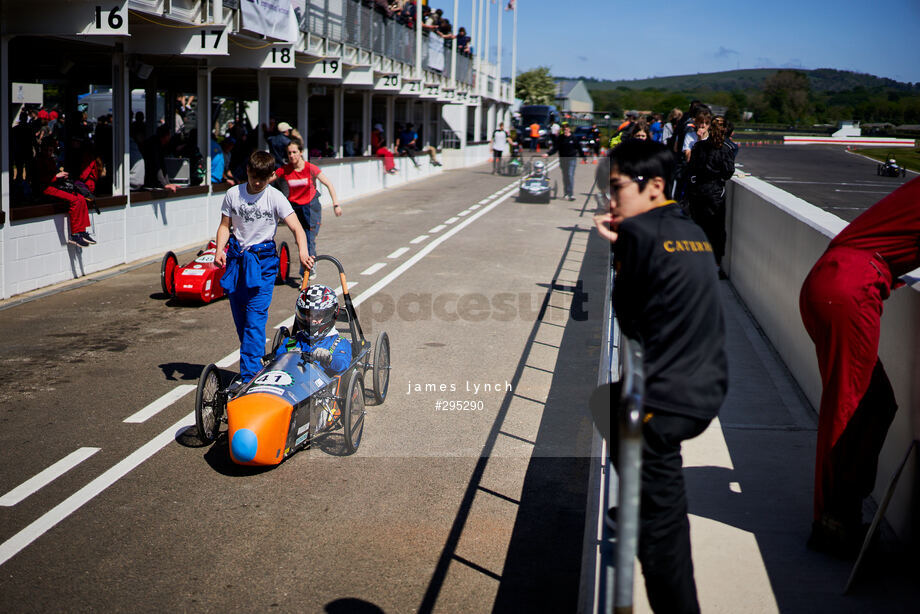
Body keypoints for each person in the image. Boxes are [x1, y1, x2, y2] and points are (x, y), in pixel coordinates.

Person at [593, 139, 727, 614]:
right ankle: (635, 504)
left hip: (667, 400)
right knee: (606, 402)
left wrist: (619, 252)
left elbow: (628, 319)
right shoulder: (689, 227)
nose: (611, 202)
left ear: (652, 185)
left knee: (661, 531)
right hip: (707, 384)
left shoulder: (639, 233)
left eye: (616, 189)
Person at [799, 176, 920, 557]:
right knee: (849, 411)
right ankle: (832, 523)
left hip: (833, 280)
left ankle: (838, 514)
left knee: (873, 404)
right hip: (850, 288)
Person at [215, 150, 313, 382]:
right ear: (247, 171)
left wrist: (303, 252)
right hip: (237, 260)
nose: (258, 183)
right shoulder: (232, 194)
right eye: (254, 177)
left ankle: (249, 377)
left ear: (271, 176)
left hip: (263, 262)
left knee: (255, 320)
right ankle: (254, 363)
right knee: (242, 321)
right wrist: (220, 248)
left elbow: (297, 228)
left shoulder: (275, 197)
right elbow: (223, 226)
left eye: (263, 178)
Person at [276, 284, 354, 428]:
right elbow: (276, 360)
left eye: (318, 316)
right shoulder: (292, 341)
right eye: (308, 315)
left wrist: (328, 358)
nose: (312, 321)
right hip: (288, 388)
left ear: (330, 315)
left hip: (318, 394)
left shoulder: (339, 343)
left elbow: (342, 364)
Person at [274, 139, 342, 263]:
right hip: (295, 208)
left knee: (309, 239)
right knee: (300, 240)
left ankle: (307, 270)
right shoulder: (285, 169)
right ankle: (310, 263)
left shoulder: (310, 168)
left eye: (294, 152)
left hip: (311, 206)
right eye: (289, 153)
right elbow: (267, 180)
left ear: (301, 152)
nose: (291, 155)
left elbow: (328, 184)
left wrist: (336, 204)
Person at [686, 116, 735, 276]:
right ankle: (715, 264)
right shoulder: (726, 148)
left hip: (698, 192)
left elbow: (691, 169)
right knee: (717, 230)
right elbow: (728, 172)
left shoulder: (698, 147)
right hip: (715, 193)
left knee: (698, 228)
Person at [36, 139, 96, 246]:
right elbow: (40, 179)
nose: (51, 153)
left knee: (81, 198)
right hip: (45, 189)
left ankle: (82, 230)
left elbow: (52, 175)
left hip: (54, 186)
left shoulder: (50, 159)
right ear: (43, 149)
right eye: (49, 150)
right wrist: (56, 176)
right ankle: (75, 234)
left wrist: (60, 174)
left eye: (52, 150)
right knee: (75, 200)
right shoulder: (39, 160)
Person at [545, 123, 584, 200]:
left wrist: (583, 157)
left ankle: (571, 194)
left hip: (572, 158)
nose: (565, 131)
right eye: (564, 129)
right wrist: (548, 154)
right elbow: (555, 148)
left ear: (569, 129)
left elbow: (579, 148)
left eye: (566, 129)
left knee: (570, 175)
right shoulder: (560, 138)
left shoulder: (574, 138)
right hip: (563, 159)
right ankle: (566, 193)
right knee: (565, 176)